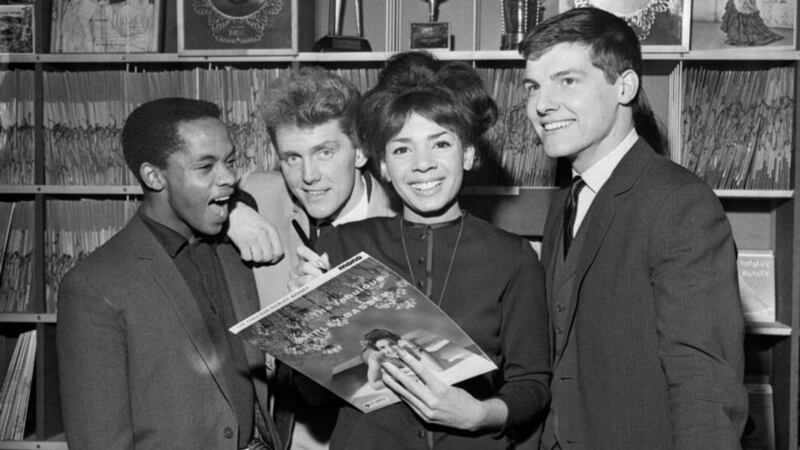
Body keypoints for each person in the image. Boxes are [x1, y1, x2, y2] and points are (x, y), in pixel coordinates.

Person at [292, 51, 551, 450]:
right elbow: (311, 395)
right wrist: (308, 322)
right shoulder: (340, 245)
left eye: (440, 143)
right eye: (402, 150)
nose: (422, 165)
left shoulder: (513, 257)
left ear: (467, 153)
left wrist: (480, 414)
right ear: (381, 166)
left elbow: (532, 384)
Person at [519, 7, 748, 449]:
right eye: (533, 86)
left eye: (567, 80)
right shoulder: (566, 199)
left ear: (625, 86)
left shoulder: (679, 201)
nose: (541, 104)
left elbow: (704, 382)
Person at [56, 97, 282, 450]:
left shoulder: (233, 245)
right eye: (205, 167)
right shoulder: (93, 285)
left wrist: (239, 208)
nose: (229, 178)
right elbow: (98, 441)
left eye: (230, 161)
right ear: (153, 176)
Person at [226, 67, 397, 450]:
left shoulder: (399, 225)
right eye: (291, 158)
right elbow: (184, 192)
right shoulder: (259, 195)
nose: (308, 176)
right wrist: (229, 212)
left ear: (361, 150)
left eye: (324, 152)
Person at [360, 328, 444, 390]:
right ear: (378, 350)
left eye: (392, 344)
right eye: (383, 348)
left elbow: (439, 369)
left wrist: (414, 347)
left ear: (397, 342)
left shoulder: (407, 349)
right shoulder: (379, 360)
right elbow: (375, 385)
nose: (390, 350)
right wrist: (399, 378)